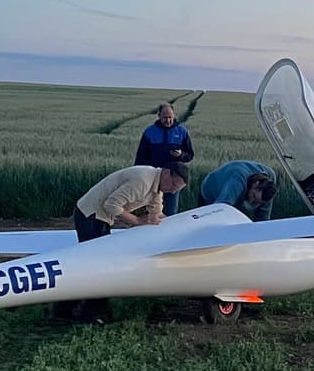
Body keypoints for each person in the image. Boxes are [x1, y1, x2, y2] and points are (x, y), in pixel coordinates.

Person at [54, 162, 188, 324]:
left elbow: (156, 210)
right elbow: (111, 205)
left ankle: (67, 310)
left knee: (94, 266)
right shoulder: (143, 182)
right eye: (173, 184)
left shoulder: (157, 185)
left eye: (177, 189)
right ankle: (88, 315)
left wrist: (177, 226)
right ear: (167, 173)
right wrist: (137, 221)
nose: (173, 190)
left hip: (100, 217)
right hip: (91, 216)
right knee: (98, 268)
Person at [133, 102, 194, 216]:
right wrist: (137, 175)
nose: (168, 120)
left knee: (171, 212)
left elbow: (190, 155)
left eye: (170, 117)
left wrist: (181, 155)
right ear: (159, 115)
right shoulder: (149, 132)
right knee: (151, 211)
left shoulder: (182, 132)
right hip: (153, 179)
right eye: (165, 117)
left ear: (174, 115)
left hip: (174, 179)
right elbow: (141, 156)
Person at [199, 160, 279, 222]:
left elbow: (263, 217)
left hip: (237, 194)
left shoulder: (270, 180)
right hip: (212, 189)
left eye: (256, 202)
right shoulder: (237, 180)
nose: (251, 201)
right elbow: (219, 208)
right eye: (253, 196)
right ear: (255, 183)